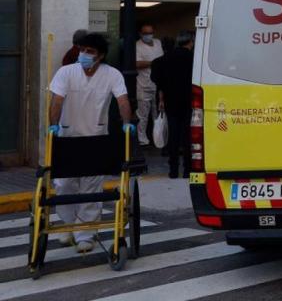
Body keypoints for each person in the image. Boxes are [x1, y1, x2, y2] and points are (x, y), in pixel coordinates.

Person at [47, 33, 133, 253]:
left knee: (91, 186)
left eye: (90, 52)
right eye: (82, 50)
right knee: (64, 185)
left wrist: (126, 122)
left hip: (96, 137)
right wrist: (53, 124)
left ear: (100, 55)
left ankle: (86, 233)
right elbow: (57, 100)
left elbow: (123, 100)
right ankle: (67, 226)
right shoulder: (66, 72)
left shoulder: (111, 74)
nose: (84, 55)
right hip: (68, 137)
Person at [154, 31, 194, 178]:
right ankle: (188, 170)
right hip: (189, 102)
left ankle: (173, 170)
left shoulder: (164, 59)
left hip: (171, 102)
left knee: (173, 136)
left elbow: (157, 79)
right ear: (190, 42)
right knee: (188, 136)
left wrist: (162, 98)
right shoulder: (193, 59)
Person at [135, 24, 164, 146]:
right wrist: (154, 63)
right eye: (146, 33)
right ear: (140, 34)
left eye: (151, 32)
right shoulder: (137, 46)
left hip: (158, 85)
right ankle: (142, 140)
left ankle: (157, 139)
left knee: (157, 114)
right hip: (144, 85)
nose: (149, 35)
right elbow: (137, 63)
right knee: (143, 115)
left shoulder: (157, 43)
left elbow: (163, 59)